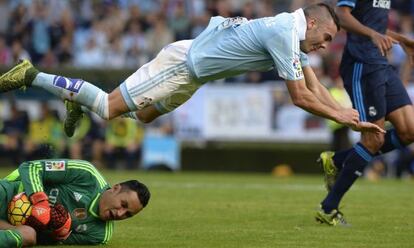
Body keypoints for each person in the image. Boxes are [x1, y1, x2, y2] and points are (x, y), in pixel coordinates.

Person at [0, 3, 383, 137]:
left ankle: (76, 99)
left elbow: (312, 81)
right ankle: (32, 74)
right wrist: (341, 116)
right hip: (184, 65)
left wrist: (342, 112)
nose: (327, 46)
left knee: (146, 116)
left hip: (195, 76)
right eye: (329, 36)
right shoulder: (284, 31)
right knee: (109, 107)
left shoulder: (292, 32)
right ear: (313, 23)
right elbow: (300, 97)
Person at [315, 0, 414, 226]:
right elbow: (341, 15)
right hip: (362, 64)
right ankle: (328, 208)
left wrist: (400, 39)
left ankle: (337, 160)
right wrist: (373, 34)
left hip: (381, 65)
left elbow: (371, 25)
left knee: (409, 131)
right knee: (374, 138)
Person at [0, 159, 150, 247]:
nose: (120, 213)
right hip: (10, 194)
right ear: (116, 188)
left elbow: (43, 240)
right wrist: (40, 202)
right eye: (123, 205)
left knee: (29, 236)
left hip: (10, 225)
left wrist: (57, 232)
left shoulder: (99, 235)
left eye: (128, 214)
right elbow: (31, 167)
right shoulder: (87, 173)